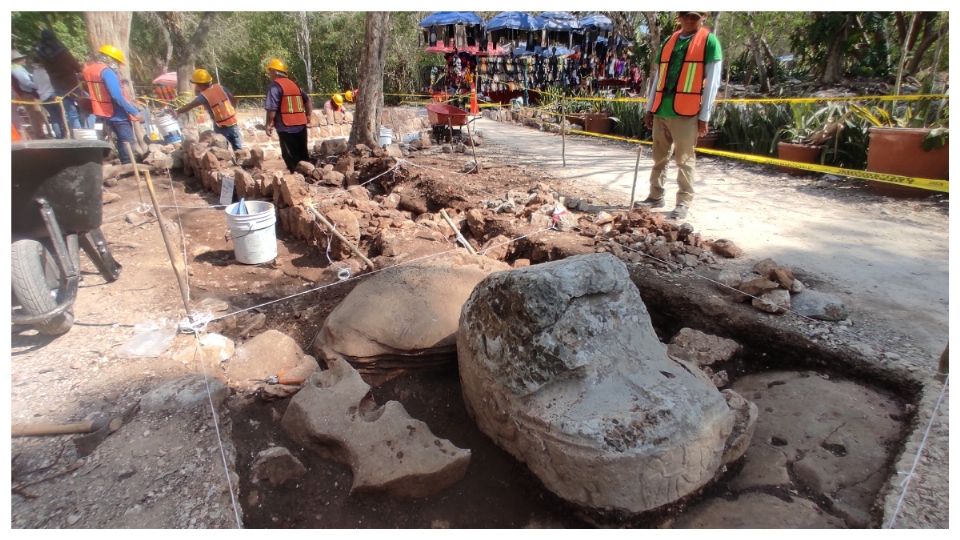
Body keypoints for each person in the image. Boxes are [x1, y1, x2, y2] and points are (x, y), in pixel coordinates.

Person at [638, 11, 722, 220]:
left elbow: (712, 82)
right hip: (662, 109)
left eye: (694, 16)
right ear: (679, 17)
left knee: (684, 160)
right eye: (685, 15)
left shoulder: (709, 42)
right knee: (659, 157)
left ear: (703, 17)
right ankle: (655, 196)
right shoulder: (669, 40)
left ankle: (683, 202)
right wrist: (650, 108)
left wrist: (705, 116)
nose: (689, 19)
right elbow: (658, 77)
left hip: (687, 111)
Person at [82, 44, 143, 163]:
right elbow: (116, 96)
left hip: (100, 111)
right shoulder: (106, 72)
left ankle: (116, 163)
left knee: (111, 140)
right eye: (116, 62)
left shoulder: (89, 70)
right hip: (116, 113)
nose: (118, 66)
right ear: (110, 59)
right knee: (126, 141)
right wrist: (134, 112)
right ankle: (129, 166)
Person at [263, 57, 311, 172]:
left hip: (286, 127)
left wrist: (268, 124)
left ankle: (297, 180)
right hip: (301, 125)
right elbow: (307, 100)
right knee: (303, 155)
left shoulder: (275, 87)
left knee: (290, 157)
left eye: (270, 71)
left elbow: (272, 108)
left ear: (274, 72)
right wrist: (308, 116)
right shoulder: (294, 85)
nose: (270, 74)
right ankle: (308, 177)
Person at [34, 28, 88, 131]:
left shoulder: (40, 52)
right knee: (82, 106)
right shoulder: (61, 49)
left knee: (69, 110)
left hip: (56, 84)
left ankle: (77, 132)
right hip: (70, 82)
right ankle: (85, 130)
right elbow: (73, 64)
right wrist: (79, 69)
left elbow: (46, 67)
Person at [175, 68, 242, 150]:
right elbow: (233, 99)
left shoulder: (203, 96)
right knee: (239, 149)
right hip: (233, 123)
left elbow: (190, 105)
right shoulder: (221, 88)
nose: (196, 87)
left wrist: (178, 111)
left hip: (220, 126)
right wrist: (232, 111)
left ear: (200, 85)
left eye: (196, 84)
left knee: (221, 150)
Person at [11, 49, 48, 139]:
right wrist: (38, 86)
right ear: (18, 59)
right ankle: (39, 135)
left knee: (37, 114)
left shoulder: (15, 68)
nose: (24, 59)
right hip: (28, 94)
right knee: (35, 114)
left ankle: (40, 133)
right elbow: (26, 82)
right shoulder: (16, 69)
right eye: (22, 58)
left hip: (27, 94)